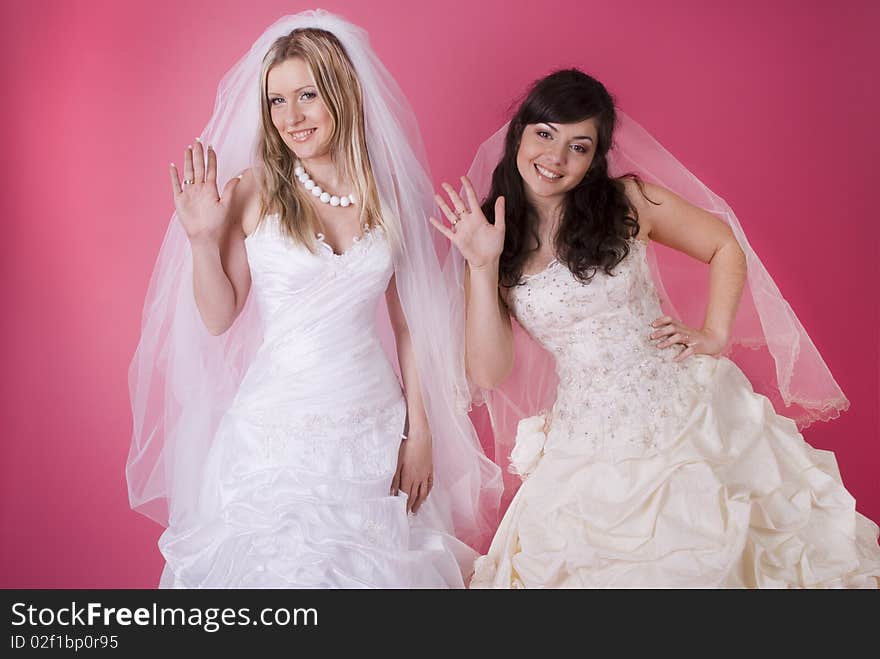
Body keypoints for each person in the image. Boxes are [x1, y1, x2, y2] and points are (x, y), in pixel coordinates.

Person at [433, 68, 880, 588]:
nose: (555, 158)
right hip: (585, 436)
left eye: (579, 147)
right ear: (520, 134)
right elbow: (490, 371)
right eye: (545, 134)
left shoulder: (628, 201)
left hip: (682, 414)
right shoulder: (491, 238)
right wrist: (484, 266)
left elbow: (723, 245)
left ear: (594, 159)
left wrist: (714, 334)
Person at [127, 10, 501, 588]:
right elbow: (220, 316)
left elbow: (411, 328)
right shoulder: (252, 189)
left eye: (306, 95)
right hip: (276, 434)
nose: (291, 117)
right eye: (276, 101)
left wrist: (419, 431)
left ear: (342, 93)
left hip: (373, 426)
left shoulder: (387, 194)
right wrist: (202, 240)